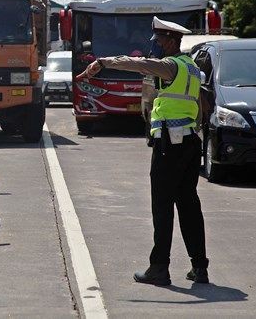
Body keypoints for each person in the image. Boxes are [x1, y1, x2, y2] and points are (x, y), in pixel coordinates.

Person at [77, 16, 209, 286]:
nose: (155, 46)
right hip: (190, 143)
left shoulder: (170, 66)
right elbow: (202, 103)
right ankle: (200, 267)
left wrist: (102, 62)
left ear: (171, 41)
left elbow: (138, 64)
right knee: (188, 204)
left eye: (159, 41)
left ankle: (159, 268)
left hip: (169, 146)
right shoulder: (192, 68)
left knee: (162, 207)